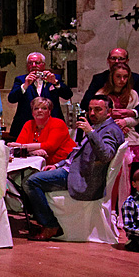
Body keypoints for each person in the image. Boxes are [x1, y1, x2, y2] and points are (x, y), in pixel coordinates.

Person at [22, 95, 125, 241]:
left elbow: (106, 155)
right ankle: (44, 221)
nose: (92, 113)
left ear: (109, 112)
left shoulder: (110, 130)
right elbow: (76, 153)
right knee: (33, 176)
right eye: (90, 110)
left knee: (30, 182)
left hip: (82, 177)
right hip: (71, 169)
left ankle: (50, 225)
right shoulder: (99, 127)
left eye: (98, 110)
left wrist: (90, 132)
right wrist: (58, 165)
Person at [6, 52, 73, 140]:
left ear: (44, 65)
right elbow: (11, 99)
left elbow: (68, 95)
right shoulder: (21, 80)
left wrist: (55, 83)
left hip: (51, 125)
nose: (34, 65)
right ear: (27, 66)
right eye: (30, 63)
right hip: (26, 126)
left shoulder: (55, 78)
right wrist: (25, 86)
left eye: (37, 63)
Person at [81, 47, 139, 121]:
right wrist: (107, 112)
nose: (117, 61)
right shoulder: (99, 79)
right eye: (113, 58)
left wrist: (130, 113)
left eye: (121, 58)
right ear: (108, 60)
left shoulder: (135, 79)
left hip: (130, 124)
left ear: (127, 61)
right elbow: (85, 103)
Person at [101, 61, 139, 167]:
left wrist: (125, 121)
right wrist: (116, 125)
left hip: (129, 134)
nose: (122, 80)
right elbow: (98, 117)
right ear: (112, 77)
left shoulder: (133, 94)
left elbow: (137, 118)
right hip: (108, 135)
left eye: (125, 77)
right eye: (118, 76)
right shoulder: (102, 94)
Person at [9, 97, 76, 165]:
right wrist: (32, 152)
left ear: (49, 111)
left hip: (62, 164)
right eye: (36, 108)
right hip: (36, 164)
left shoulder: (58, 123)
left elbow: (50, 146)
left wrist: (23, 146)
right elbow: (17, 149)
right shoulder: (28, 124)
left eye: (44, 108)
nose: (39, 110)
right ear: (32, 113)